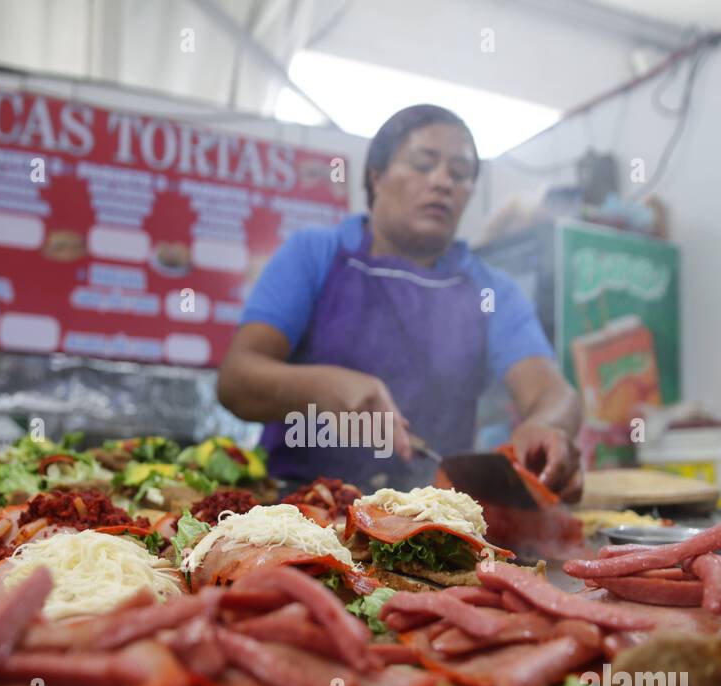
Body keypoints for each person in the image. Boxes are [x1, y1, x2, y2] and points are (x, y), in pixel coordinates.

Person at [217, 104, 582, 498]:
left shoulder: (492, 291)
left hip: (429, 515)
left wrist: (548, 424)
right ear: (377, 176)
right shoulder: (315, 255)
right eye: (424, 164)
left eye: (460, 174)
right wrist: (322, 386)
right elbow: (236, 380)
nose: (443, 182)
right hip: (297, 509)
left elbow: (554, 392)